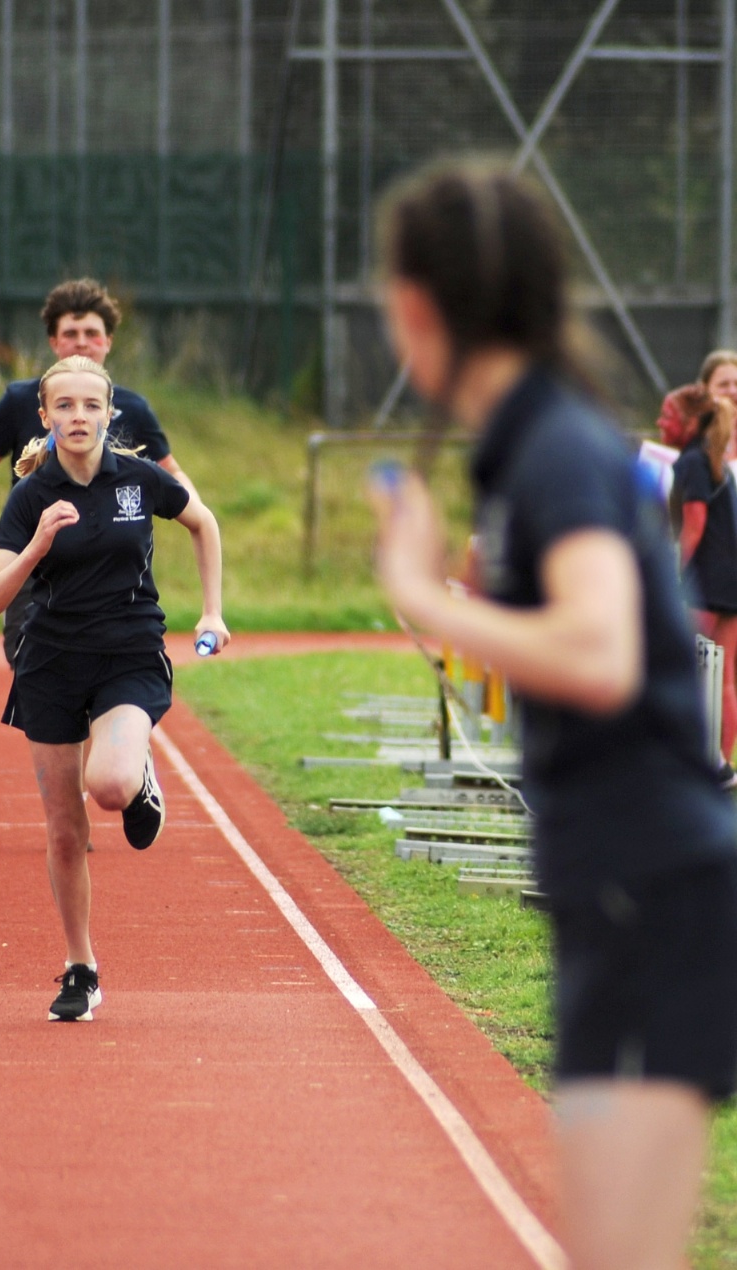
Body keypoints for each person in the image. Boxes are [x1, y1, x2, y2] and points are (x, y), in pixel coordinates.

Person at [368, 161, 737, 1270]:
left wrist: (427, 593)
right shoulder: (534, 438)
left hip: (652, 889)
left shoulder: (555, 448)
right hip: (621, 883)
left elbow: (599, 652)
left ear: (417, 307)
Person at [0, 356, 227, 1022]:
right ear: (45, 416)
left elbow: (203, 522)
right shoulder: (29, 496)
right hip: (50, 665)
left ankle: (138, 778)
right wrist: (36, 546)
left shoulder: (139, 480)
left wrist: (212, 612)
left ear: (110, 413)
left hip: (128, 655)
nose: (78, 416)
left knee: (109, 786)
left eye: (91, 405)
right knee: (65, 831)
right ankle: (80, 967)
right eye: (64, 406)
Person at [0, 278, 194, 666]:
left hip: (107, 566)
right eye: (71, 334)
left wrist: (196, 513)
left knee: (107, 678)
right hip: (31, 562)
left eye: (91, 333)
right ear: (54, 343)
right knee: (35, 670)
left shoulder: (133, 409)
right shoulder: (20, 401)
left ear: (108, 342)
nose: (81, 342)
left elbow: (172, 473)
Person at [669, 394, 737, 786]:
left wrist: (675, 573)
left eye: (668, 416)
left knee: (690, 670)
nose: (661, 423)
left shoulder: (693, 461)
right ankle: (720, 765)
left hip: (707, 582)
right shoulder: (714, 462)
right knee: (723, 677)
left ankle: (703, 764)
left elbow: (694, 523)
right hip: (729, 580)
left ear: (691, 423)